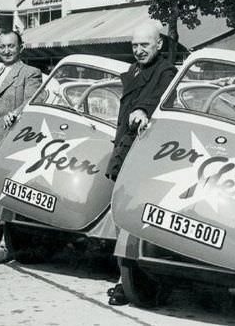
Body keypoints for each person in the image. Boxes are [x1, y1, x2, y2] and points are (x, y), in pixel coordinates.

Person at [106, 23, 177, 306]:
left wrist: (143, 110)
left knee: (134, 214)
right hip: (124, 147)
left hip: (144, 153)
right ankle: (122, 275)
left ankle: (128, 281)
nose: (139, 51)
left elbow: (156, 98)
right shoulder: (132, 71)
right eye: (135, 46)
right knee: (119, 212)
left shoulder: (166, 71)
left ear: (158, 45)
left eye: (145, 45)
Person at [0, 31, 43, 265]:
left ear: (21, 48)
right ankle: (7, 241)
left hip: (15, 143)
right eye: (2, 46)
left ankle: (6, 245)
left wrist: (17, 113)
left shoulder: (30, 73)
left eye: (11, 46)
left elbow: (32, 102)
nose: (6, 50)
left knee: (11, 194)